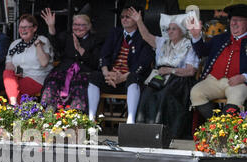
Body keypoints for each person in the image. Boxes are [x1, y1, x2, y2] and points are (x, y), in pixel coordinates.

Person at [132, 8, 199, 138]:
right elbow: (146, 36)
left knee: (164, 96)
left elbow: (191, 71)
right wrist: (139, 21)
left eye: (174, 29)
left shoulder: (189, 45)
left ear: (182, 31)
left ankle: (162, 133)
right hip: (160, 77)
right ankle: (145, 132)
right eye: (168, 29)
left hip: (179, 79)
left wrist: (171, 70)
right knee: (147, 94)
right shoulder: (162, 41)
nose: (170, 31)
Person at [86, 6, 154, 122]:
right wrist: (107, 73)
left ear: (138, 18)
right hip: (110, 79)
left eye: (128, 17)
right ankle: (91, 118)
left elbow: (144, 63)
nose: (124, 19)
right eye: (122, 17)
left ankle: (130, 120)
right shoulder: (115, 32)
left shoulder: (144, 36)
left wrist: (123, 77)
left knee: (134, 77)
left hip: (129, 79)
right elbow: (104, 54)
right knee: (94, 76)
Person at [189, 4, 247, 121]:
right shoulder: (220, 38)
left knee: (237, 96)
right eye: (232, 20)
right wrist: (196, 37)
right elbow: (202, 51)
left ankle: (223, 130)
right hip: (213, 80)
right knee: (196, 92)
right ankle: (217, 124)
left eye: (238, 20)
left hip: (238, 83)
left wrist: (244, 77)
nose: (233, 23)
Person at [39, 8, 101, 112]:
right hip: (64, 70)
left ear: (89, 26)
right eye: (75, 25)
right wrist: (51, 26)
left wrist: (80, 50)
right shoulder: (67, 36)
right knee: (52, 82)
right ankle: (49, 114)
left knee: (79, 86)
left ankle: (74, 116)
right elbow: (56, 45)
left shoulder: (96, 40)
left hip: (84, 72)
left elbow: (95, 63)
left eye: (82, 25)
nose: (77, 28)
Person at [4, 13, 54, 106]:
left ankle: (13, 105)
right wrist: (19, 71)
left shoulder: (42, 40)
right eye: (21, 27)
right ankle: (14, 102)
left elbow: (44, 63)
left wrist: (38, 45)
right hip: (19, 78)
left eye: (26, 27)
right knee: (7, 74)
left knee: (13, 89)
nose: (23, 30)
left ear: (34, 28)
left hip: (37, 78)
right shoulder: (15, 44)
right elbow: (9, 66)